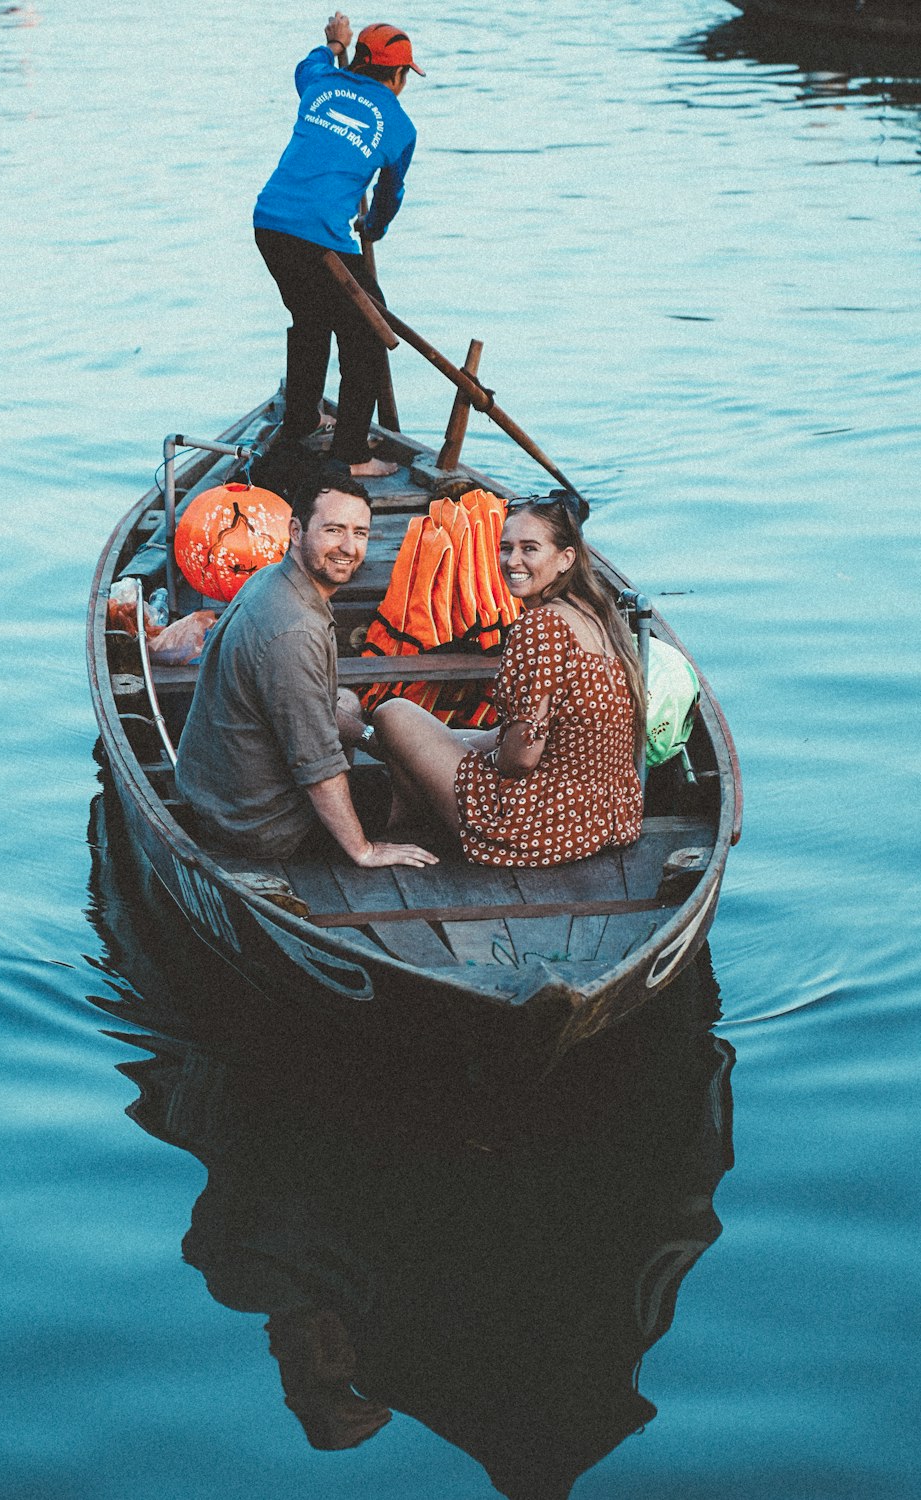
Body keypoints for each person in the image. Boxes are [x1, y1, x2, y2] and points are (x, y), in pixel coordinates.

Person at [174, 472, 437, 869]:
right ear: (296, 531)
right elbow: (318, 767)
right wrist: (363, 849)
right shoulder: (294, 631)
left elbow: (309, 707)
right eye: (333, 530)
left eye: (360, 533)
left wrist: (371, 740)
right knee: (421, 791)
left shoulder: (271, 578)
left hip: (217, 794)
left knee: (348, 702)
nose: (349, 547)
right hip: (263, 825)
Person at [372, 496, 647, 867]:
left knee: (394, 714)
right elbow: (550, 729)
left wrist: (473, 756)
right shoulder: (598, 615)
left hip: (536, 826)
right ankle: (415, 802)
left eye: (529, 549)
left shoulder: (541, 626)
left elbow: (519, 760)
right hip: (606, 819)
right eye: (506, 548)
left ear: (565, 558)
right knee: (439, 740)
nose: (512, 561)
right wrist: (458, 743)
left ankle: (412, 810)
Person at [253, 13, 424, 478]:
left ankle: (303, 420)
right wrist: (373, 227)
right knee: (370, 332)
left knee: (310, 318)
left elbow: (304, 67)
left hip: (268, 223)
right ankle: (350, 453)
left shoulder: (321, 81)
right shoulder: (400, 128)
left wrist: (332, 43)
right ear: (398, 75)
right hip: (318, 238)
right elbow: (390, 196)